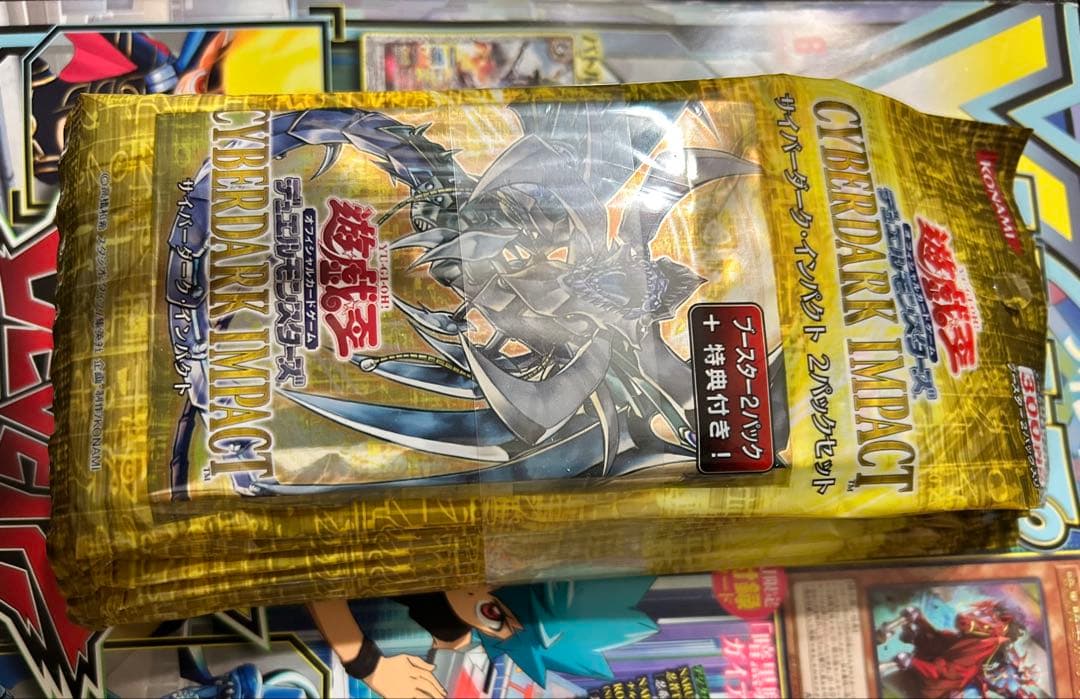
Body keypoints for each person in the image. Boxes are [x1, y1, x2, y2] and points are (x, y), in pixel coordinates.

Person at [309, 578, 658, 698]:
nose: (480, 590)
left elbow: (454, 636)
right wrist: (372, 667)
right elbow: (321, 582)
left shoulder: (457, 624)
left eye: (494, 614)